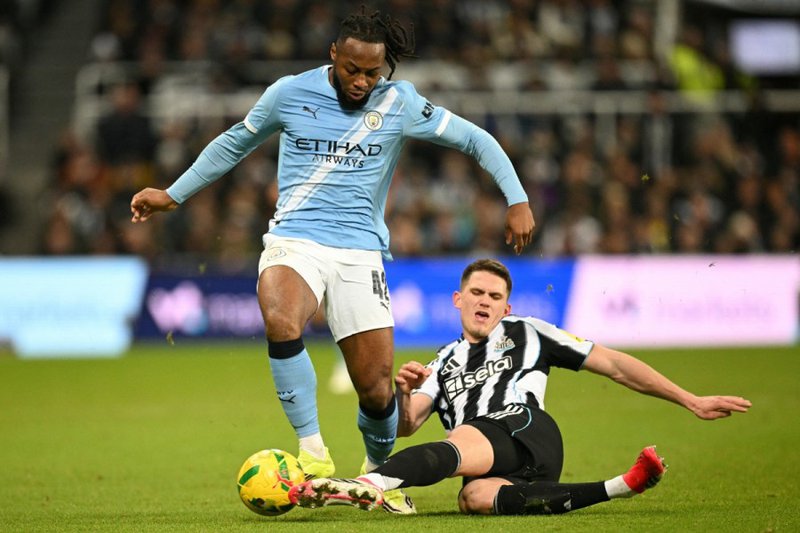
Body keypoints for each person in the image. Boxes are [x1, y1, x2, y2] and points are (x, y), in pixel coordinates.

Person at [129, 8, 535, 514]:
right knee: (280, 316)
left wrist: (515, 197)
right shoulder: (289, 93)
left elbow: (476, 138)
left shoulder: (401, 102)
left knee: (376, 392)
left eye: (373, 72)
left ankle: (376, 476)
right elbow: (235, 141)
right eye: (353, 70)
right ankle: (314, 454)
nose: (363, 81)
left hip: (360, 252)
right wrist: (174, 193)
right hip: (294, 240)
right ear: (334, 56)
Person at [289, 258, 752, 515]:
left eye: (495, 297)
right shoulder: (442, 361)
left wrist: (689, 399)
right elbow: (406, 427)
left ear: (506, 308)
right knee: (473, 498)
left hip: (527, 426)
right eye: (476, 293)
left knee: (463, 437)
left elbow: (613, 364)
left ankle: (365, 484)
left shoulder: (529, 331)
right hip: (501, 462)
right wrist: (405, 391)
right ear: (457, 300)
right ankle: (620, 485)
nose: (485, 302)